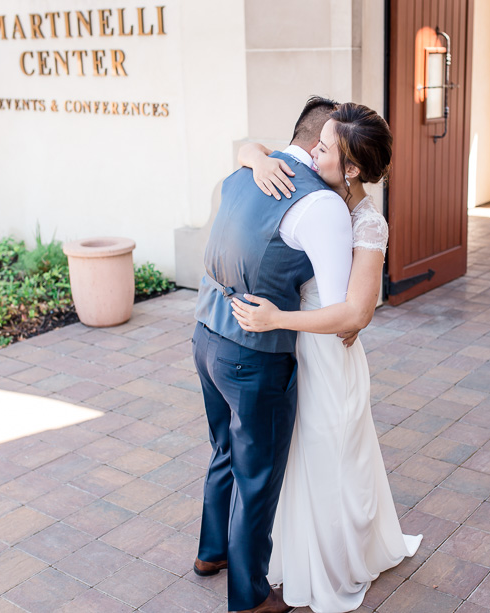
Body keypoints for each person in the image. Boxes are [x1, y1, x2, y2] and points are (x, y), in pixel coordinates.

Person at [231, 103, 422, 613]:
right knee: (298, 459)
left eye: (324, 147)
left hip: (327, 355)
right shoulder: (313, 188)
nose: (311, 150)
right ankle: (294, 554)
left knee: (328, 458)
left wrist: (277, 320)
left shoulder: (368, 224)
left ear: (353, 168)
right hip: (299, 353)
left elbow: (356, 312)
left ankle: (334, 566)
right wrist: (257, 158)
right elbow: (244, 148)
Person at [192, 96, 355, 613]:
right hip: (252, 351)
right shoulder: (317, 203)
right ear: (319, 145)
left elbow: (247, 150)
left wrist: (254, 154)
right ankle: (250, 597)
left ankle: (210, 553)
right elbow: (339, 305)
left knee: (223, 448)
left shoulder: (244, 172)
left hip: (204, 331)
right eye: (333, 145)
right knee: (257, 474)